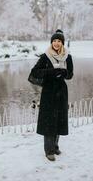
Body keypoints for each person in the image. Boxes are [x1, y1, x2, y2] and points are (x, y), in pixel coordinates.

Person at [28, 29, 73, 161]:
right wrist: (51, 72)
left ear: (62, 43)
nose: (56, 43)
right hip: (49, 92)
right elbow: (35, 72)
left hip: (61, 92)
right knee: (49, 120)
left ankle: (55, 146)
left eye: (59, 41)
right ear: (51, 42)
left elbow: (70, 74)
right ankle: (49, 150)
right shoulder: (45, 56)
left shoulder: (68, 57)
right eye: (54, 41)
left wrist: (64, 73)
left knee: (59, 119)